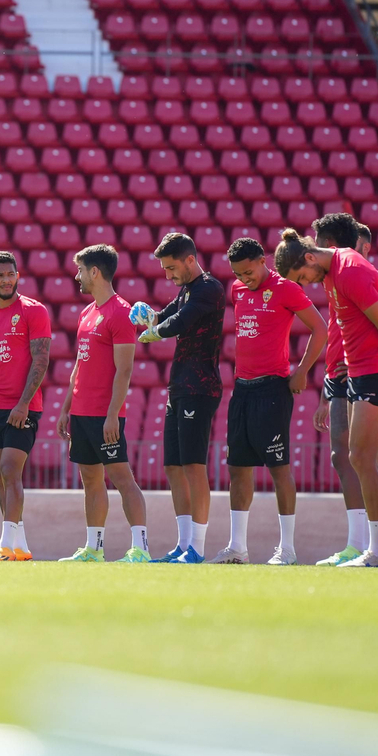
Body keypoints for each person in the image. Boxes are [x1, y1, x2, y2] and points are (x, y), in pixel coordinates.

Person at [274, 228, 378, 567]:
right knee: (364, 459)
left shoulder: (351, 269)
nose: (307, 283)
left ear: (310, 257)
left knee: (362, 458)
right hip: (360, 371)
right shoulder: (333, 273)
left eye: (303, 276)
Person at [212, 237, 326, 565]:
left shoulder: (286, 288)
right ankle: (237, 547)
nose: (244, 279)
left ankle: (287, 549)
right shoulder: (236, 290)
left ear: (263, 260)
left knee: (279, 468)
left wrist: (302, 371)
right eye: (238, 274)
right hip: (242, 389)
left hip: (273, 388)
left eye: (248, 272)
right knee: (237, 468)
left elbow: (321, 328)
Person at [56, 243, 149, 563]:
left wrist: (113, 415)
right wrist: (66, 407)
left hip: (104, 414)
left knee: (123, 478)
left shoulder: (121, 312)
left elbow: (125, 369)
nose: (76, 276)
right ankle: (94, 548)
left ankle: (141, 549)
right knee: (90, 480)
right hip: (81, 413)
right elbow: (80, 364)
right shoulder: (87, 312)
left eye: (80, 270)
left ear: (94, 272)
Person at [134, 232, 223, 563]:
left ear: (190, 260)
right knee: (173, 466)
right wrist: (147, 316)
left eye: (172, 268)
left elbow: (178, 322)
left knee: (193, 466)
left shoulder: (209, 288)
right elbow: (164, 317)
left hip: (200, 387)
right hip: (181, 386)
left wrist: (154, 331)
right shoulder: (187, 290)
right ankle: (183, 545)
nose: (168, 276)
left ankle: (197, 548)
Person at [0, 250, 51, 561]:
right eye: (0, 275)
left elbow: (41, 359)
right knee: (0, 476)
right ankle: (20, 545)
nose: (6, 280)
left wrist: (24, 404)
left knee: (9, 470)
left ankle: (4, 546)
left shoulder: (34, 311)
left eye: (10, 274)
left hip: (22, 409)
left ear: (18, 275)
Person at [308, 214, 378, 564]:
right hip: (338, 373)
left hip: (362, 372)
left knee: (361, 457)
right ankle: (358, 542)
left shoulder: (363, 278)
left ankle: (374, 543)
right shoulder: (334, 281)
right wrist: (325, 393)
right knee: (342, 456)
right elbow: (335, 338)